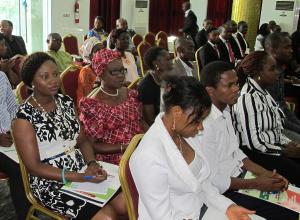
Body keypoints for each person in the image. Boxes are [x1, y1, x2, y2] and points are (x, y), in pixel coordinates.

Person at [12, 52, 127, 219]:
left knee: (125, 203)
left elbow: (82, 139)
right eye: (45, 76)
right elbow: (34, 167)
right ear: (31, 83)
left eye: (56, 74)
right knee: (107, 217)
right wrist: (81, 177)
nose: (54, 80)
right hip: (51, 182)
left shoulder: (65, 102)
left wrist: (92, 163)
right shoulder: (23, 118)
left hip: (81, 167)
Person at [130, 76, 255, 220]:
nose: (201, 127)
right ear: (177, 112)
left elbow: (202, 182)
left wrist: (228, 207)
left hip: (201, 209)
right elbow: (162, 216)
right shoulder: (147, 157)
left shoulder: (185, 133)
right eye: (197, 121)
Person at [200, 60, 298, 220]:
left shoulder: (225, 109)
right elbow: (213, 179)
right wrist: (257, 183)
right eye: (229, 85)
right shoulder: (204, 125)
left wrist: (267, 174)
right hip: (226, 190)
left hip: (242, 177)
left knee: (292, 197)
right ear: (210, 91)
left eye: (237, 83)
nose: (236, 89)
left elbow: (237, 153)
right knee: (289, 213)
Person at [232, 51, 300, 187]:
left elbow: (276, 129)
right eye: (272, 69)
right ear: (258, 73)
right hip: (257, 154)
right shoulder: (248, 98)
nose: (277, 72)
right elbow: (254, 143)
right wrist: (284, 151)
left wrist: (289, 143)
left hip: (271, 147)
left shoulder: (264, 92)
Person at [79, 49, 146, 165]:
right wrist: (126, 147)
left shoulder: (128, 93)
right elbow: (93, 145)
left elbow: (140, 122)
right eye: (114, 72)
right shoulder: (94, 105)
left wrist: (151, 136)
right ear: (100, 73)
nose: (120, 76)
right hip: (115, 157)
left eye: (122, 71)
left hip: (139, 147)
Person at [0, 71, 30, 220]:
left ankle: (36, 204)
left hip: (8, 136)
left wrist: (16, 127)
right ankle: (26, 215)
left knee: (32, 156)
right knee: (18, 169)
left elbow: (13, 107)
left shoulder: (1, 76)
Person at [264, 32, 300, 138]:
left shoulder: (278, 69)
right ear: (273, 50)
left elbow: (282, 105)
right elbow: (275, 117)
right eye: (287, 47)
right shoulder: (265, 74)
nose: (291, 50)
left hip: (278, 123)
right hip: (269, 128)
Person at [138, 47, 173, 125]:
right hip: (158, 127)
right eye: (167, 60)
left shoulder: (168, 79)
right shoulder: (146, 86)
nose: (171, 62)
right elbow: (150, 120)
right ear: (156, 63)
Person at [77, 37, 103, 107]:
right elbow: (89, 96)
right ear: (90, 55)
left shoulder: (103, 68)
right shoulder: (85, 72)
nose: (101, 53)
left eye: (103, 50)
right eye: (97, 51)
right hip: (88, 106)